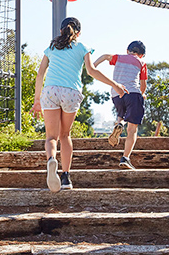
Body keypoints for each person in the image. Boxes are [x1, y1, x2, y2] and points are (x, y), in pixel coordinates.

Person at [32, 17, 127, 192]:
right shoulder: (83, 47)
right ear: (79, 33)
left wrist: (37, 100)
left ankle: (51, 160)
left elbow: (40, 75)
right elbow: (92, 71)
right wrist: (115, 85)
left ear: (61, 31)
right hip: (71, 92)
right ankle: (66, 177)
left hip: (50, 90)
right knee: (65, 135)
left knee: (51, 137)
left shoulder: (51, 48)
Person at [94, 41, 148, 169]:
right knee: (132, 129)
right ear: (141, 54)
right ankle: (125, 158)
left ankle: (119, 123)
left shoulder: (119, 58)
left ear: (127, 50)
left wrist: (93, 66)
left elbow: (106, 56)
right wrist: (141, 94)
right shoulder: (141, 63)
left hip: (116, 94)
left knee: (122, 114)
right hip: (133, 93)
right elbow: (143, 85)